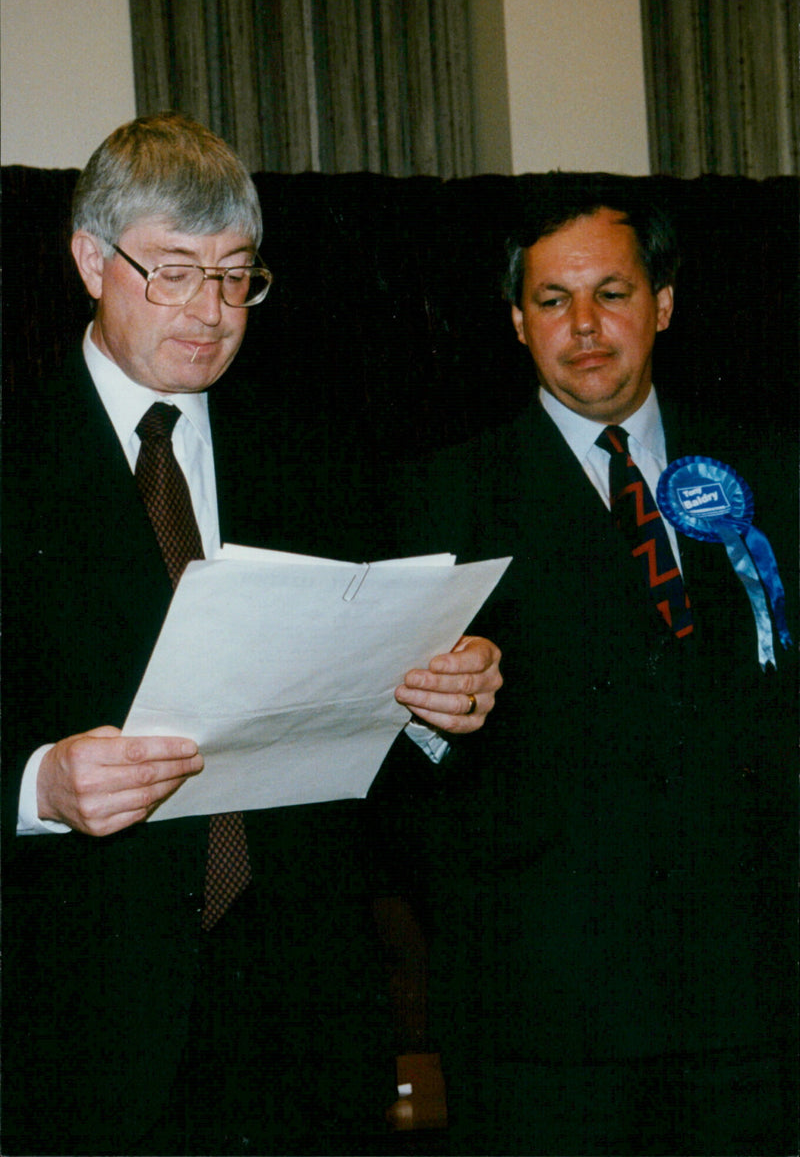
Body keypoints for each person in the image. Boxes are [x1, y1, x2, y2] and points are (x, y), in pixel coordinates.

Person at [0, 112, 503, 1157]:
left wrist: (436, 710)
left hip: (303, 1027)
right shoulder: (11, 461)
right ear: (91, 260)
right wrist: (38, 788)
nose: (210, 311)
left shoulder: (312, 453)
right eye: (175, 272)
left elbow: (380, 751)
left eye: (236, 277)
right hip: (80, 1035)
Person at [400, 173, 798, 1155]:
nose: (582, 324)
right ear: (514, 320)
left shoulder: (771, 471)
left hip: (749, 998)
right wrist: (432, 711)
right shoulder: (437, 497)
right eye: (550, 299)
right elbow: (404, 766)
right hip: (545, 1014)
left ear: (660, 304)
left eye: (610, 293)